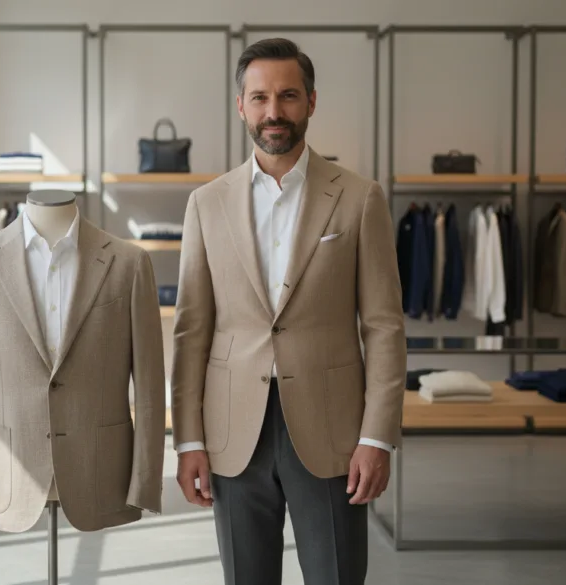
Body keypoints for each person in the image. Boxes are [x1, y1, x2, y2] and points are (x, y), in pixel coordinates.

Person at [170, 38, 406, 585]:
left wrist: (377, 436)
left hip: (332, 430)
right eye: (259, 98)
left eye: (288, 96)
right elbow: (191, 332)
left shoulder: (359, 197)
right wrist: (187, 440)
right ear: (241, 106)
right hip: (233, 432)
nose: (273, 111)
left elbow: (384, 326)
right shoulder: (207, 204)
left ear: (312, 102)